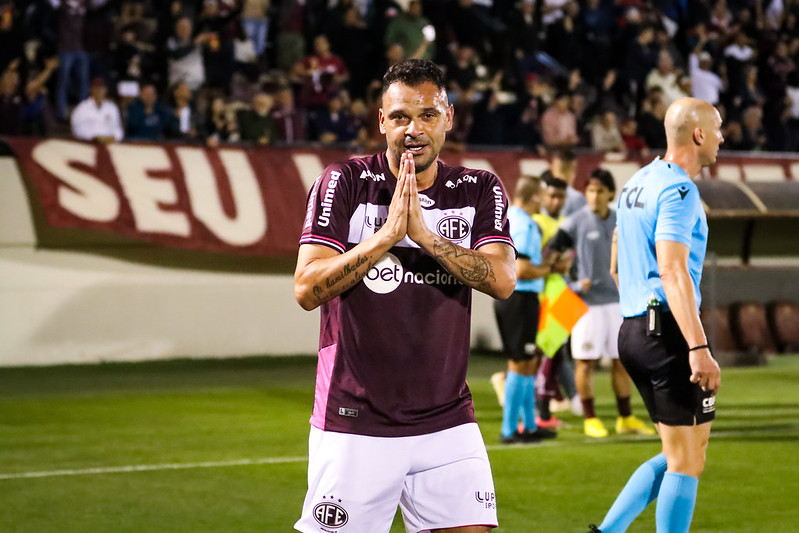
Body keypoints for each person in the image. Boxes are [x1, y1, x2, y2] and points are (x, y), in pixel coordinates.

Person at [293, 58, 516, 533]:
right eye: (399, 117)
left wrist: (427, 238)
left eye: (428, 115)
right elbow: (307, 288)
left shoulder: (478, 189)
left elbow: (501, 280)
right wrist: (385, 238)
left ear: (448, 118)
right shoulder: (346, 182)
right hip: (356, 418)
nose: (413, 129)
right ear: (381, 121)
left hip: (447, 417)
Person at [585, 97, 722, 533]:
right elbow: (672, 268)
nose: (721, 136)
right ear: (698, 134)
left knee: (678, 452)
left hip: (634, 330)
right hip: (668, 333)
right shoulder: (680, 190)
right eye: (717, 128)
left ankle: (607, 532)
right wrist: (698, 346)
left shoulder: (637, 183)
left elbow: (614, 263)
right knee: (686, 461)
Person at [549, 169, 653, 439]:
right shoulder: (573, 222)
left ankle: (625, 417)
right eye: (590, 190)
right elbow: (549, 256)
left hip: (619, 303)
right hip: (586, 306)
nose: (594, 196)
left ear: (610, 194)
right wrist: (571, 282)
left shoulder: (622, 221)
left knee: (621, 362)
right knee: (585, 363)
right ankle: (591, 418)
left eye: (599, 191)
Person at [494, 175, 558, 444]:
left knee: (527, 362)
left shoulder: (512, 218)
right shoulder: (524, 223)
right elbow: (520, 268)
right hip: (520, 298)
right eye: (542, 195)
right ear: (534, 197)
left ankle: (529, 425)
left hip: (515, 299)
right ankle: (510, 430)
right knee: (520, 363)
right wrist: (552, 268)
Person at [70, 77, 123, 143]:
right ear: (91, 89)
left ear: (105, 90)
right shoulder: (82, 108)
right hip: (88, 145)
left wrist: (112, 137)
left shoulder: (112, 107)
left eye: (102, 88)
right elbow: (77, 130)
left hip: (110, 144)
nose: (99, 91)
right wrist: (94, 138)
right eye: (96, 88)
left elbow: (118, 129)